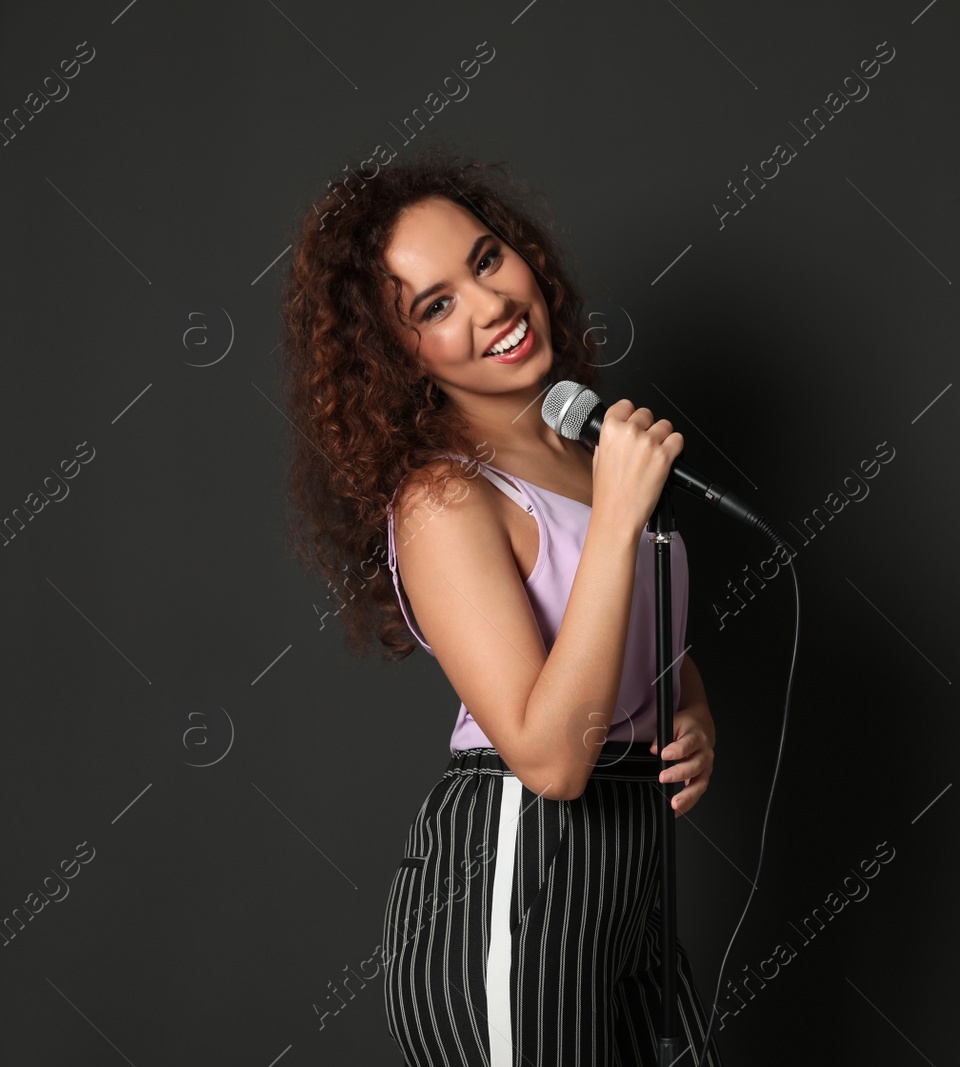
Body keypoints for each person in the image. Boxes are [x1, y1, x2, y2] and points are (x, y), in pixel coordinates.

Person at [279, 147, 723, 1066]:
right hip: (521, 872)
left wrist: (689, 708)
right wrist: (619, 515)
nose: (491, 306)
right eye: (435, 306)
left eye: (487, 260)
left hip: (634, 877)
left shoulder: (581, 449)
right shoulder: (446, 499)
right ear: (396, 354)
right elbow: (554, 760)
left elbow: (623, 634)